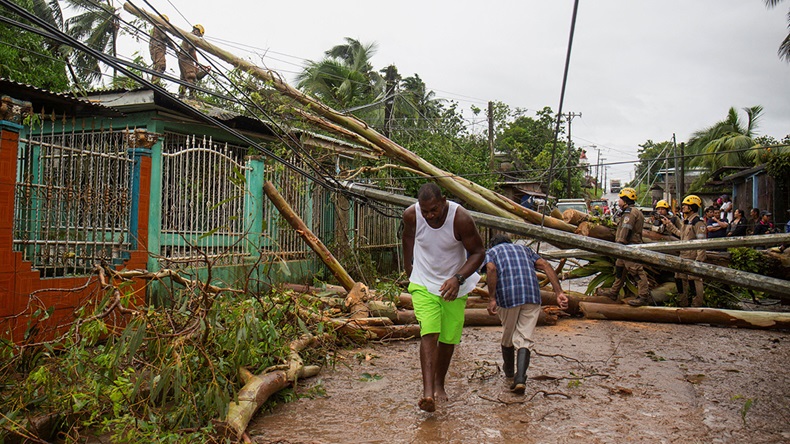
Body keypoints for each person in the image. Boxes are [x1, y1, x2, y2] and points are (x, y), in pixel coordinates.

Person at [402, 183, 485, 412]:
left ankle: (439, 384)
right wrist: (410, 270)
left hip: (454, 284)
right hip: (423, 282)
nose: (430, 216)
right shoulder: (412, 215)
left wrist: (458, 279)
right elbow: (407, 239)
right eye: (425, 211)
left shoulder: (461, 219)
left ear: (443, 202)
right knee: (429, 331)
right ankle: (427, 394)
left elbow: (478, 252)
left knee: (448, 338)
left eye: (434, 210)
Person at [483, 234, 568, 394]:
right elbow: (545, 265)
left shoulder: (492, 252)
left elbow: (491, 268)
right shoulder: (525, 249)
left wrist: (492, 298)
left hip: (508, 296)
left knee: (508, 335)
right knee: (524, 338)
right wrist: (559, 293)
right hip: (531, 295)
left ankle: (509, 373)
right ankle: (520, 377)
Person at [595, 188, 652, 306]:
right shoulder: (632, 211)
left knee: (636, 271)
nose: (618, 201)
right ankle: (614, 292)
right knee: (620, 269)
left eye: (620, 199)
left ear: (626, 200)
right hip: (625, 248)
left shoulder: (630, 213)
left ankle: (643, 296)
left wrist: (619, 244)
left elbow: (626, 229)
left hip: (628, 247)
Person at [662, 195, 707, 307]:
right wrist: (669, 225)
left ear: (691, 207)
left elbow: (702, 243)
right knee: (679, 279)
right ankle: (683, 303)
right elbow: (681, 235)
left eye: (685, 206)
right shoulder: (686, 221)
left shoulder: (698, 222)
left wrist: (699, 260)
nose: (683, 207)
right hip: (683, 255)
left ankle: (696, 305)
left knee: (694, 280)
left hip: (692, 257)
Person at [178, 24, 212, 99]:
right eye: (199, 35)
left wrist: (197, 63)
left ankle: (181, 94)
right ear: (197, 31)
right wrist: (197, 62)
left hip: (183, 58)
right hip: (186, 58)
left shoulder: (188, 35)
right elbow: (191, 50)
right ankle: (191, 95)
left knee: (184, 78)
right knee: (191, 76)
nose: (199, 37)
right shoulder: (191, 37)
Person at [148, 15, 175, 85]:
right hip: (158, 48)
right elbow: (165, 37)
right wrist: (174, 47)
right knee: (161, 66)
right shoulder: (159, 26)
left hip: (154, 49)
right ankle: (155, 83)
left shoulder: (154, 28)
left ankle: (155, 82)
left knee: (156, 66)